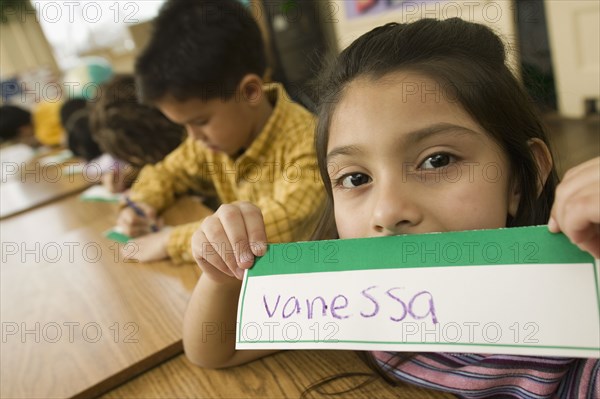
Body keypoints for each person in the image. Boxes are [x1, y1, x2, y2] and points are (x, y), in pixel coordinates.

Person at [184, 19, 600, 398]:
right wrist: (222, 281)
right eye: (355, 178)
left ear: (520, 177)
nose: (387, 211)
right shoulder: (349, 298)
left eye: (437, 160)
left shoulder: (581, 314)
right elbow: (214, 351)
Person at [116, 0, 324, 263]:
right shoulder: (211, 140)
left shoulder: (310, 144)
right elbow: (166, 172)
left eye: (200, 121)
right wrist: (141, 206)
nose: (193, 137)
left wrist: (170, 241)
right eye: (184, 126)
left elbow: (280, 226)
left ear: (250, 92)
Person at [90, 74, 185, 193]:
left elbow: (168, 168)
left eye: (133, 155)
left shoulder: (190, 141)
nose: (135, 160)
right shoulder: (157, 142)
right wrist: (127, 178)